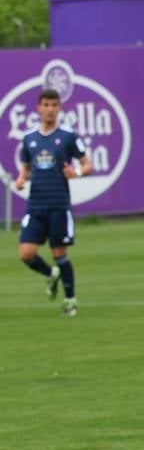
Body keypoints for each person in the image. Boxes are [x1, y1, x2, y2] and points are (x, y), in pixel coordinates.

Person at [13, 88, 92, 317]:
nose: (50, 109)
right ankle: (51, 274)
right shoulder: (29, 138)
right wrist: (20, 180)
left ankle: (70, 300)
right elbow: (26, 170)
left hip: (58, 204)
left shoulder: (68, 136)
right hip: (35, 205)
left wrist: (75, 172)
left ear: (60, 108)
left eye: (54, 105)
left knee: (60, 253)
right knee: (26, 254)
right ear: (38, 108)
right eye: (46, 105)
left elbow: (88, 165)